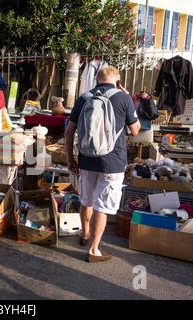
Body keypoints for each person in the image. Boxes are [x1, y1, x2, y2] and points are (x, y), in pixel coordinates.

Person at [65, 66, 141, 263]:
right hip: (112, 161)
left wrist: (70, 158)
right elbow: (135, 130)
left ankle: (84, 234)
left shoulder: (84, 98)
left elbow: (69, 131)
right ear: (117, 80)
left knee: (86, 200)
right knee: (102, 206)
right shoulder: (123, 98)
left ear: (97, 80)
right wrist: (128, 99)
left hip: (86, 158)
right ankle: (94, 249)